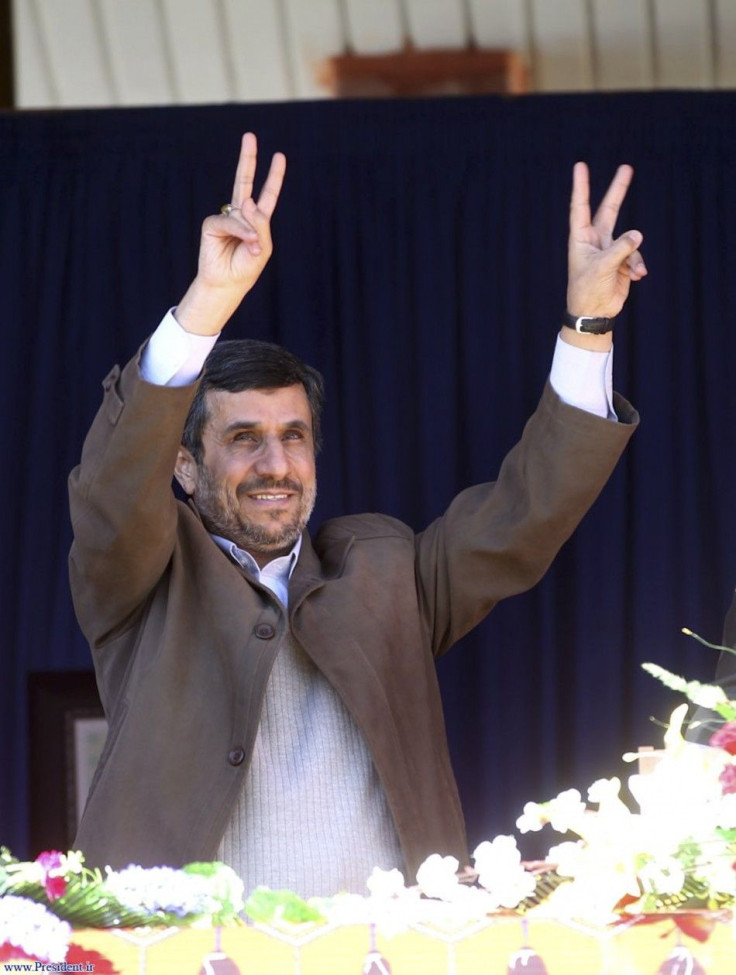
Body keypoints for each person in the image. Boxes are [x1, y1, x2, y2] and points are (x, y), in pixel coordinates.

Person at [69, 133, 644, 897]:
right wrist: (207, 302)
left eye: (293, 437)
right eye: (243, 439)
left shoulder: (384, 571)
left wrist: (589, 327)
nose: (275, 464)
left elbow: (523, 518)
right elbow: (114, 485)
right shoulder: (141, 574)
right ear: (184, 464)